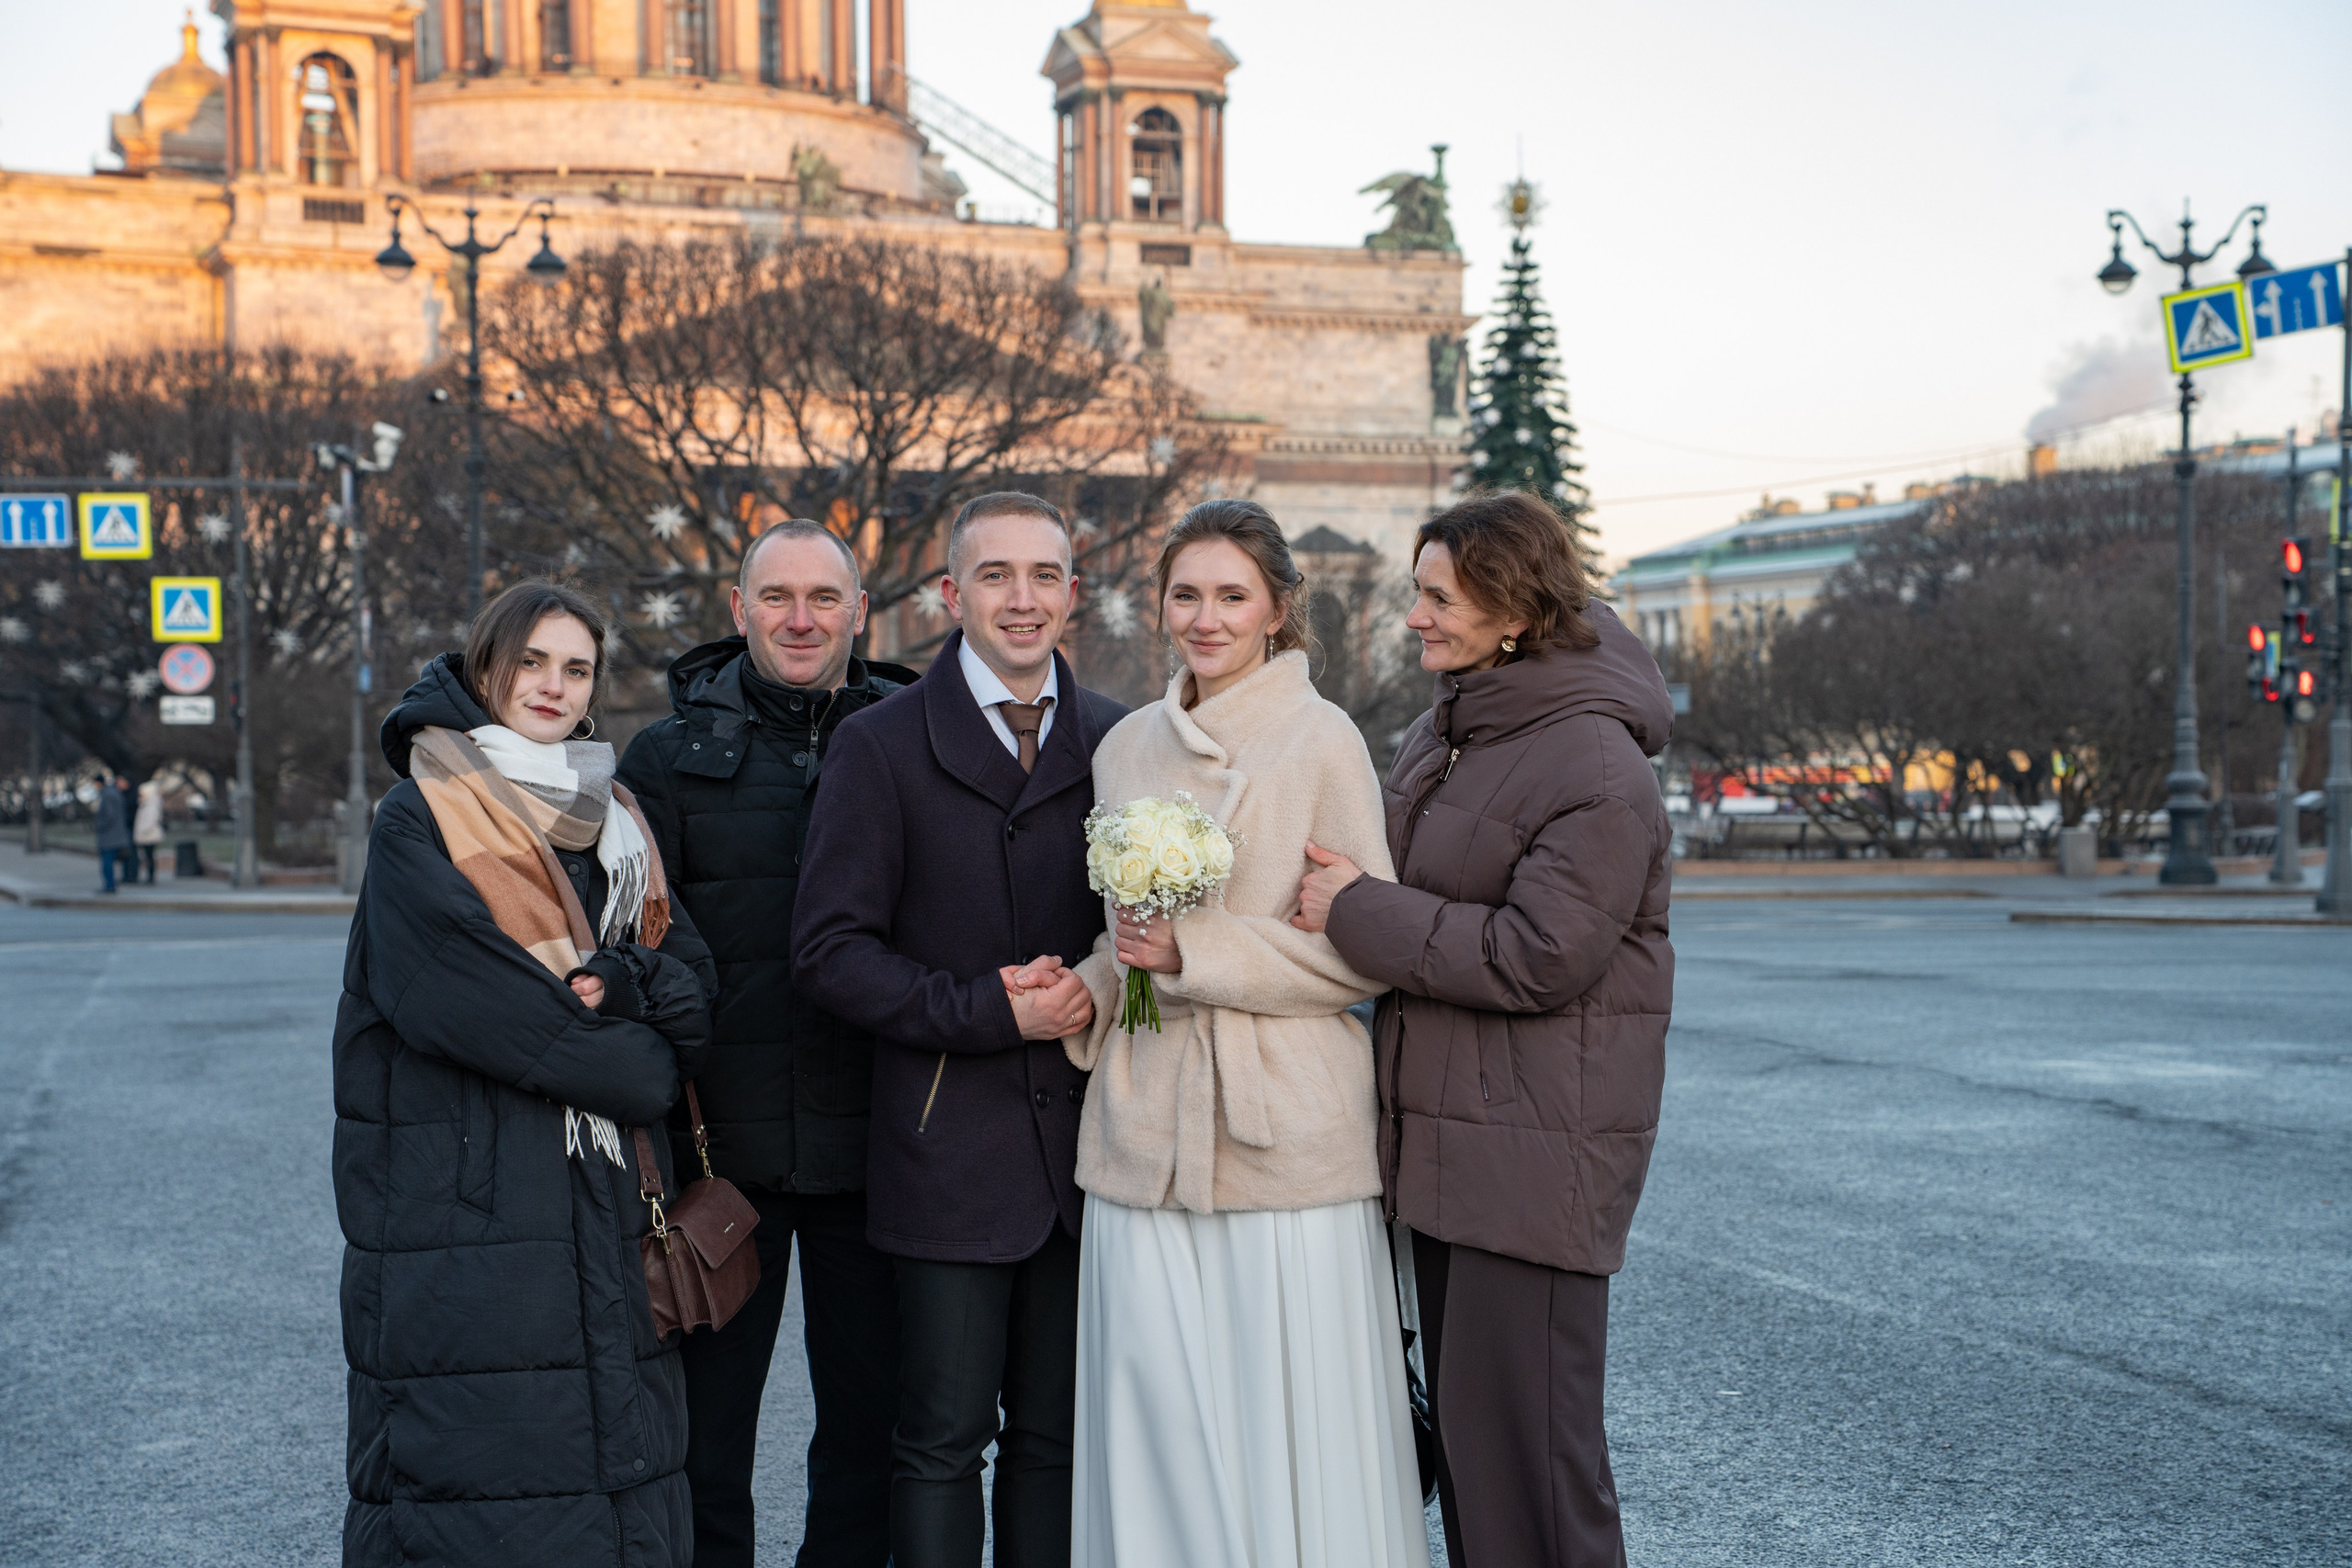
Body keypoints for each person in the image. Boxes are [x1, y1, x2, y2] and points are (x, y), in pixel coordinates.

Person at [1295, 491, 1675, 1568]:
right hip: (1452, 1146)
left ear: (1513, 610)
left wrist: (1357, 909)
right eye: (1416, 591)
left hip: (1533, 1162)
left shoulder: (1596, 764)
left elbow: (1538, 956)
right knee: (1473, 1453)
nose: (1412, 615)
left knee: (1535, 1471)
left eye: (1436, 596)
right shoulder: (1448, 728)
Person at [1058, 499, 1429, 1568]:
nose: (1205, 618)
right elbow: (1126, 935)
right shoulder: (1125, 747)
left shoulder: (1323, 741)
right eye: (1186, 594)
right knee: (1154, 1409)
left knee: (1289, 1418)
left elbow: (1366, 948)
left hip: (1287, 1141)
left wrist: (1198, 954)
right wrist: (1088, 983)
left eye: (1231, 596)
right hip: (1141, 1128)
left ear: (1277, 610)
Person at [336, 581, 717, 1568]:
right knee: (480, 1484)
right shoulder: (420, 814)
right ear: (485, 668)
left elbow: (692, 981)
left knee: (612, 1473)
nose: (553, 685)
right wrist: (640, 1064)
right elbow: (467, 1003)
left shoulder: (617, 820)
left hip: (607, 1200)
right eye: (532, 662)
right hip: (467, 1205)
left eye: (576, 668)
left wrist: (630, 981)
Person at [793, 491, 1122, 1568]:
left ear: (1073, 594)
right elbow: (830, 954)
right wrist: (989, 1008)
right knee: (937, 1443)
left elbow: (1156, 936)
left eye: (1042, 576)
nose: (1020, 600)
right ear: (950, 594)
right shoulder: (879, 746)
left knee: (1059, 1442)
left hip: (1094, 1150)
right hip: (947, 1150)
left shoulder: (1123, 741)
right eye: (994, 576)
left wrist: (1100, 986)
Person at [617, 521, 917, 1568]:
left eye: (824, 598)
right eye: (777, 597)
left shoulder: (914, 736)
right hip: (721, 1158)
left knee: (870, 1431)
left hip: (879, 1154)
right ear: (739, 611)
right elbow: (642, 945)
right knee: (704, 1440)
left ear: (860, 613)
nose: (801, 619)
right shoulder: (664, 759)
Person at [92, 769, 130, 894]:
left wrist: (99, 826)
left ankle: (109, 886)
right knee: (109, 861)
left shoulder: (107, 795)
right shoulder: (112, 793)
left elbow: (109, 816)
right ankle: (110, 885)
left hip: (109, 835)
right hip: (115, 833)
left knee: (107, 862)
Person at [133, 778, 165, 883]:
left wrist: (141, 830)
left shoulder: (152, 804)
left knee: (149, 856)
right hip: (146, 834)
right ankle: (149, 876)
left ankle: (150, 877)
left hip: (149, 835)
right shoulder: (146, 803)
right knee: (148, 856)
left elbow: (151, 821)